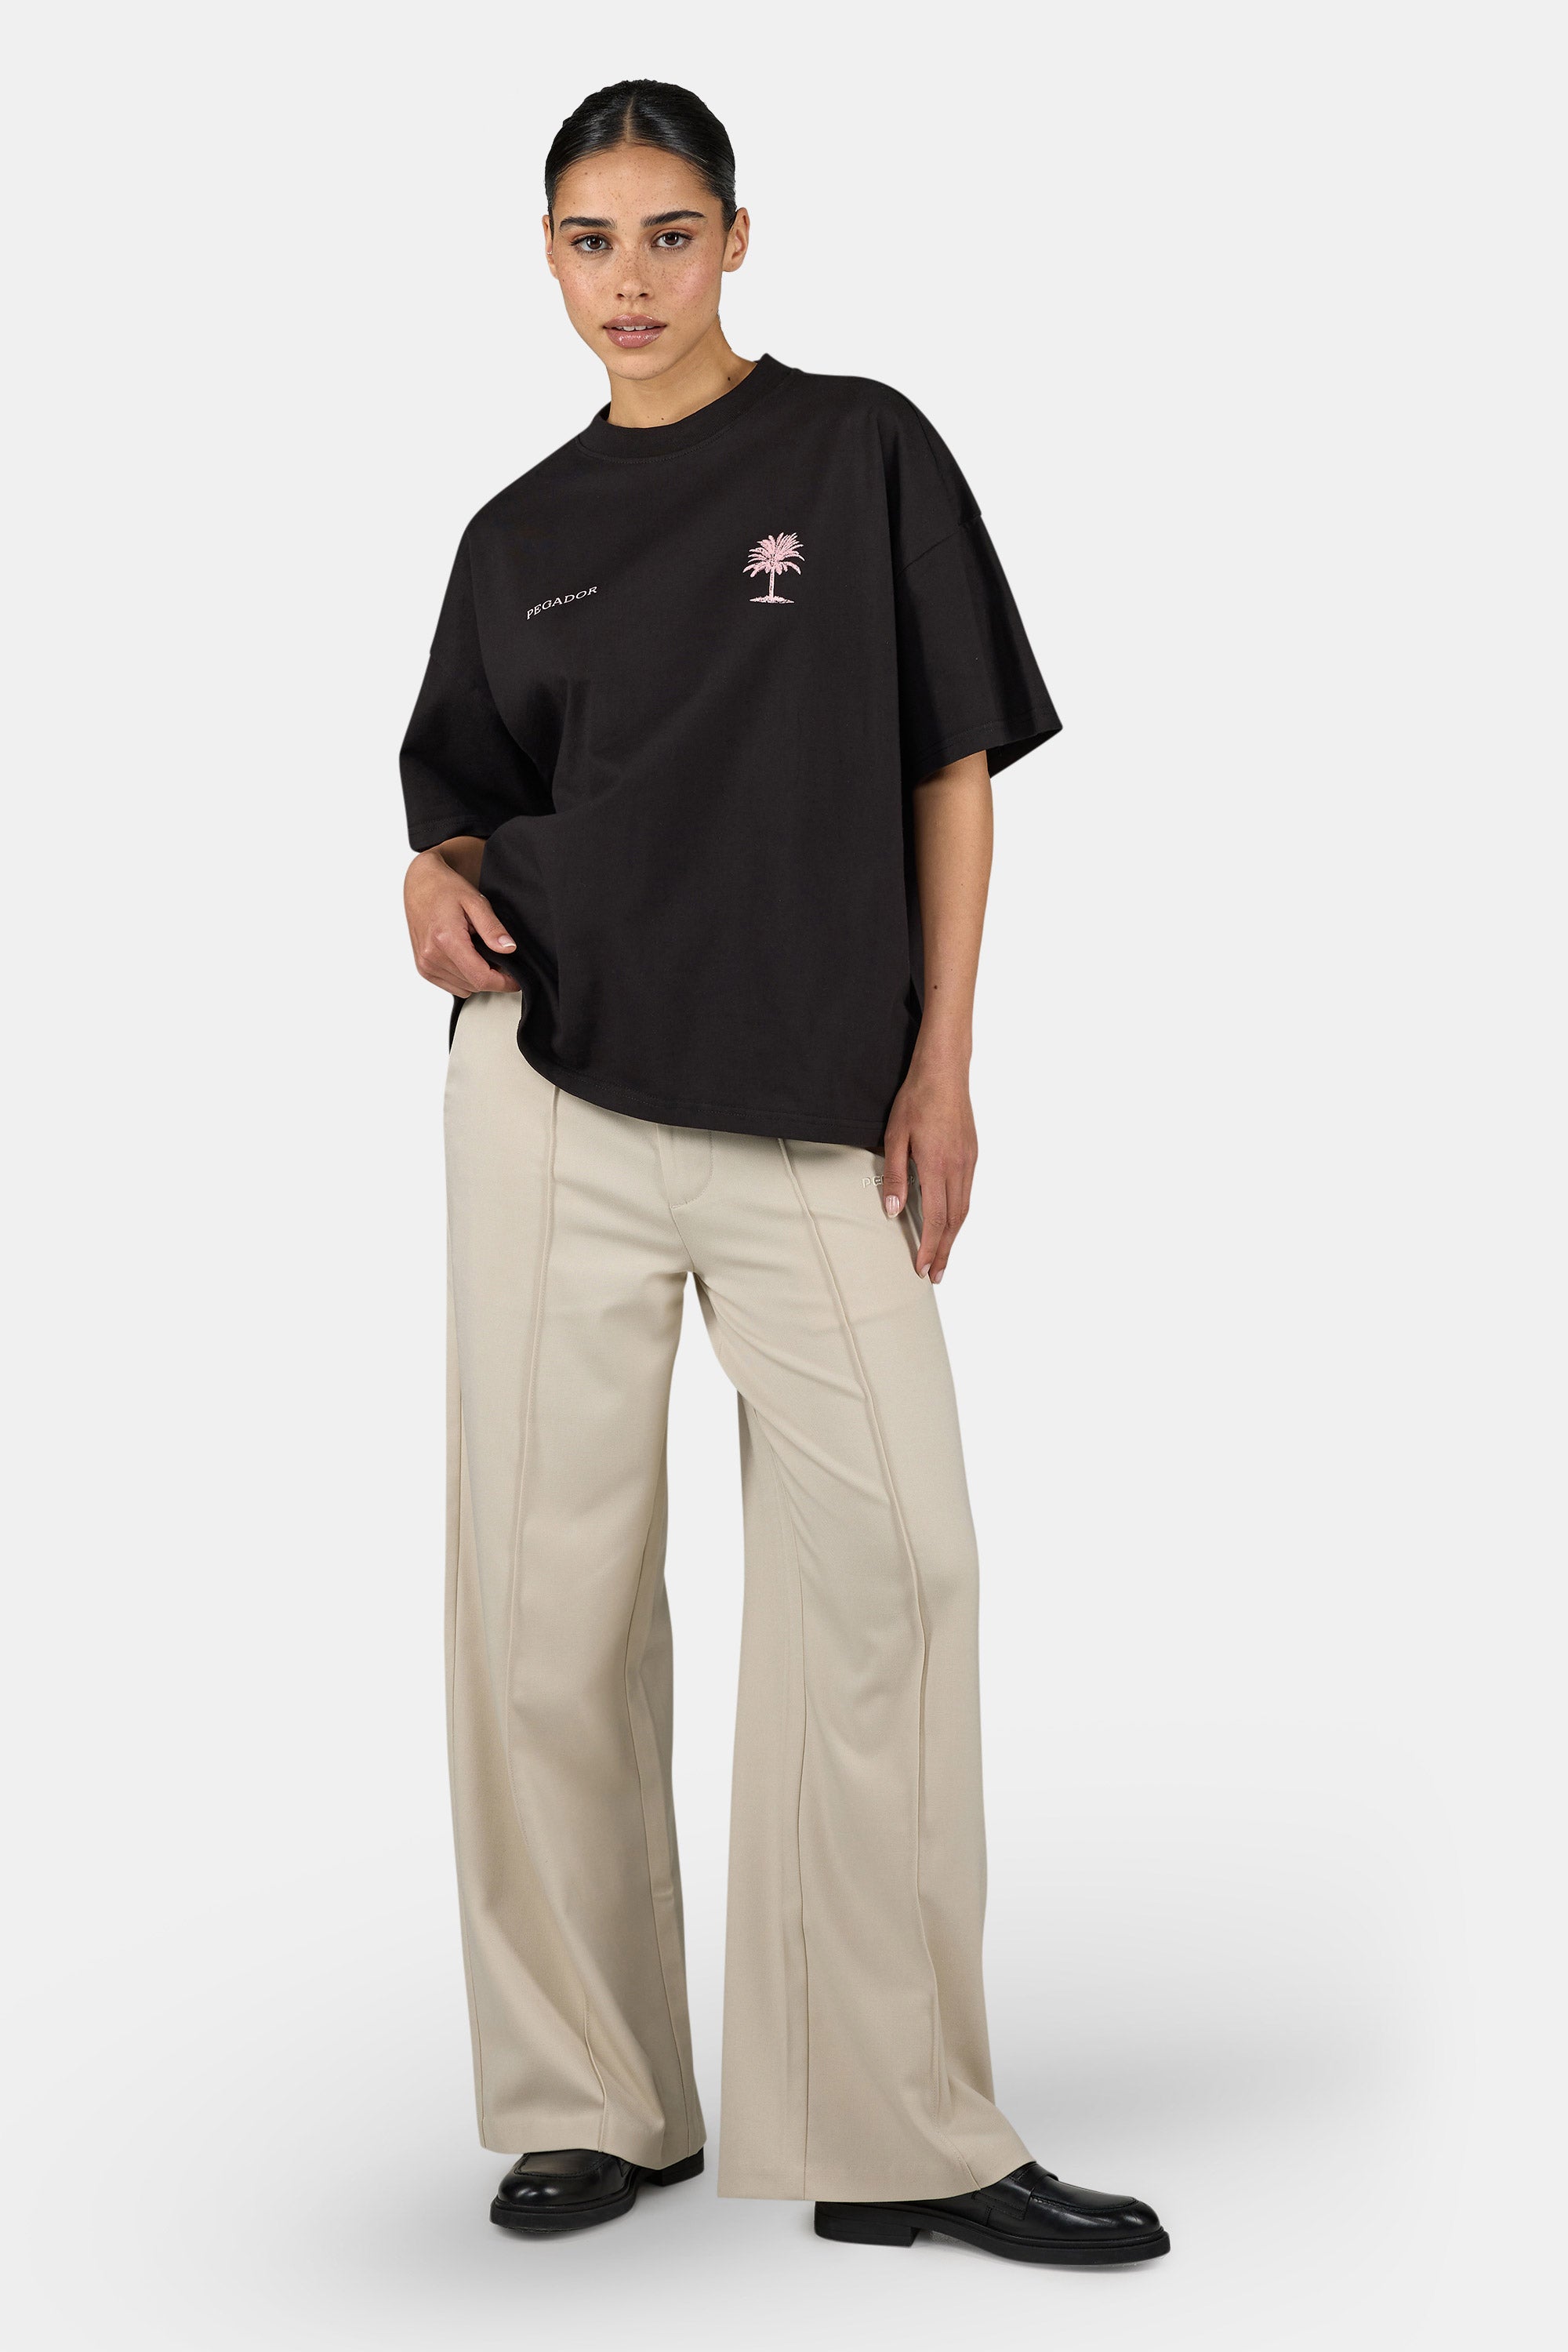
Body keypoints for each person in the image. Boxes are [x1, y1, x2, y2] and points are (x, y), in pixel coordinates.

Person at [399, 78, 1168, 2268]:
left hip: (815, 1097)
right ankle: (593, 2099)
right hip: (552, 1088)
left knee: (901, 1568)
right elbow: (464, 797)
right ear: (547, 258)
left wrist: (945, 1060)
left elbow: (952, 761)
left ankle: (893, 2127)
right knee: (542, 1605)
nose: (628, 282)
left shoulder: (858, 451)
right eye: (588, 241)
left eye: (668, 234)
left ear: (738, 238)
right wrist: (430, 879)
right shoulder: (515, 530)